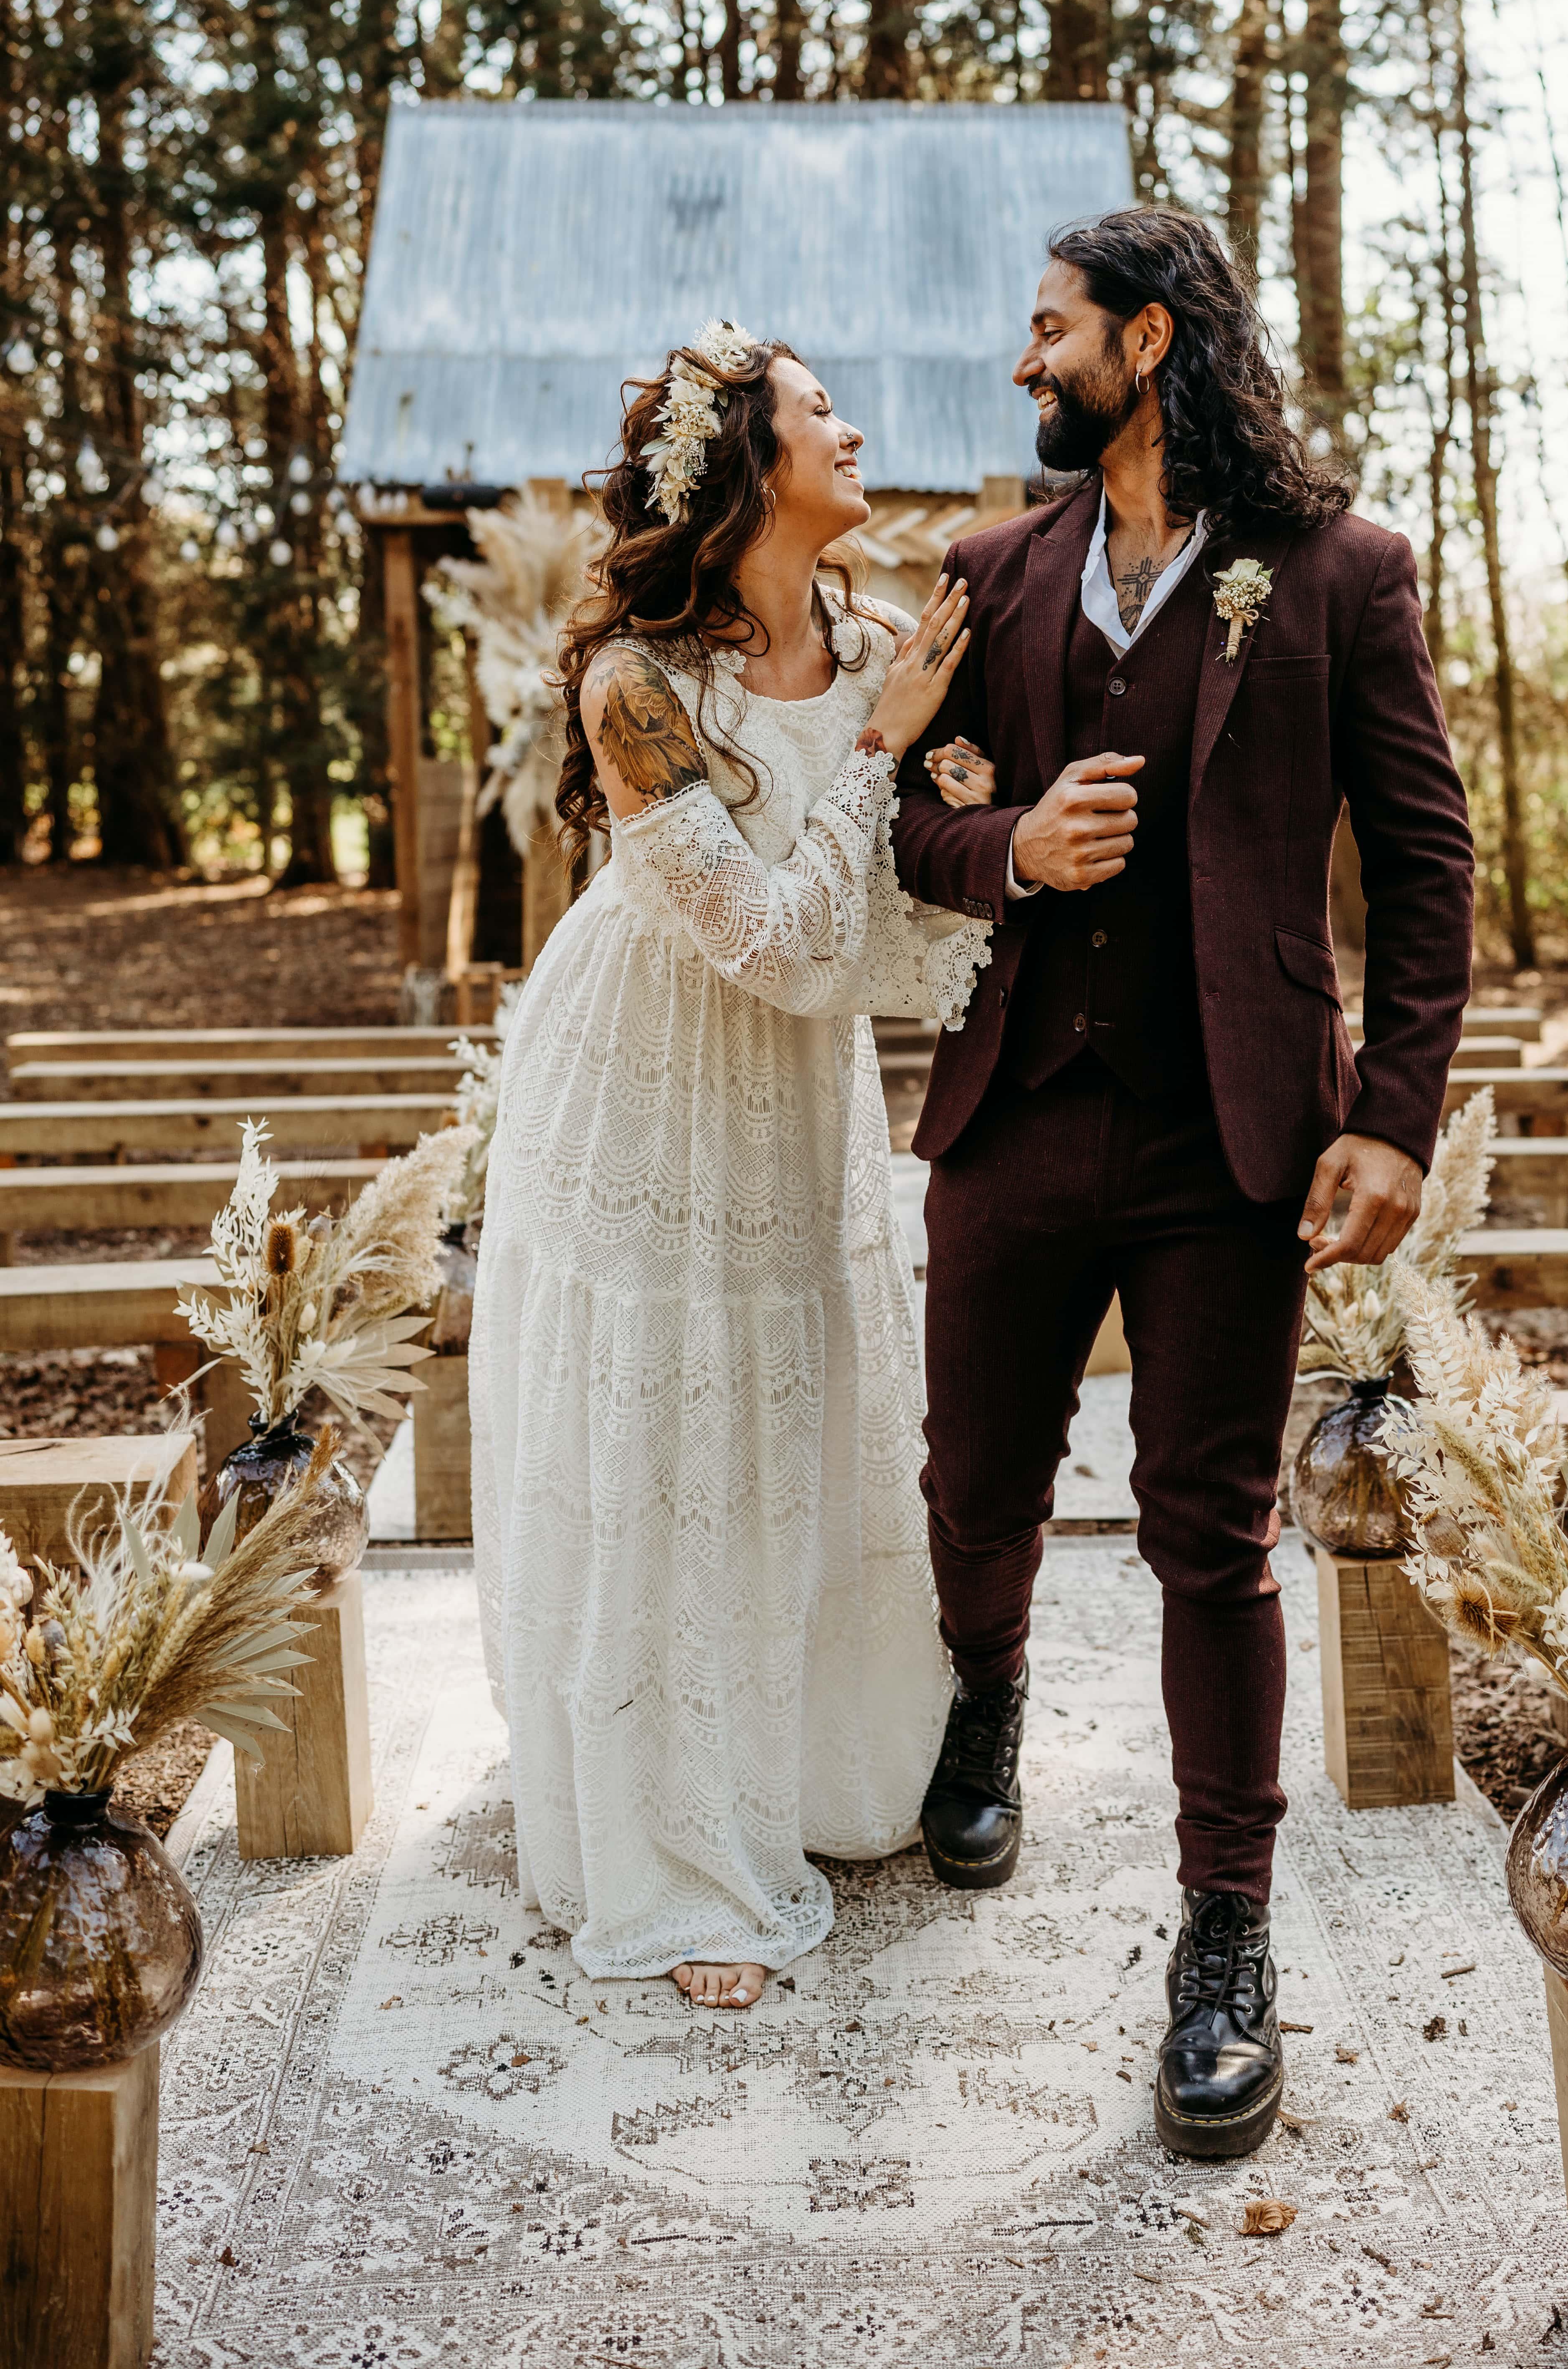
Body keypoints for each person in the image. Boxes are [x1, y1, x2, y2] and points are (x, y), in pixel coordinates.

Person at [891, 209, 1475, 2157]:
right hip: (1016, 1114)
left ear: (1147, 342)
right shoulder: (991, 572)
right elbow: (884, 807)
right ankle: (983, 1698)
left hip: (1238, 1138)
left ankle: (1223, 1938)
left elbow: (1422, 858)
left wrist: (1393, 1115)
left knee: (1206, 1534)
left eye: (1046, 330)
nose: (1021, 361)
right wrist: (1007, 858)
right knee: (970, 1480)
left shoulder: (1338, 571)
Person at [470, 320, 988, 2012]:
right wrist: (873, 754)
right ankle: (678, 1851)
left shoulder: (889, 639)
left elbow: (915, 870)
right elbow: (763, 935)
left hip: (795, 1099)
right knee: (666, 1423)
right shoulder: (633, 680)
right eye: (825, 413)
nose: (858, 430)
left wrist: (960, 789)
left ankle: (818, 1770)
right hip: (645, 1083)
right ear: (757, 466)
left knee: (797, 1406)